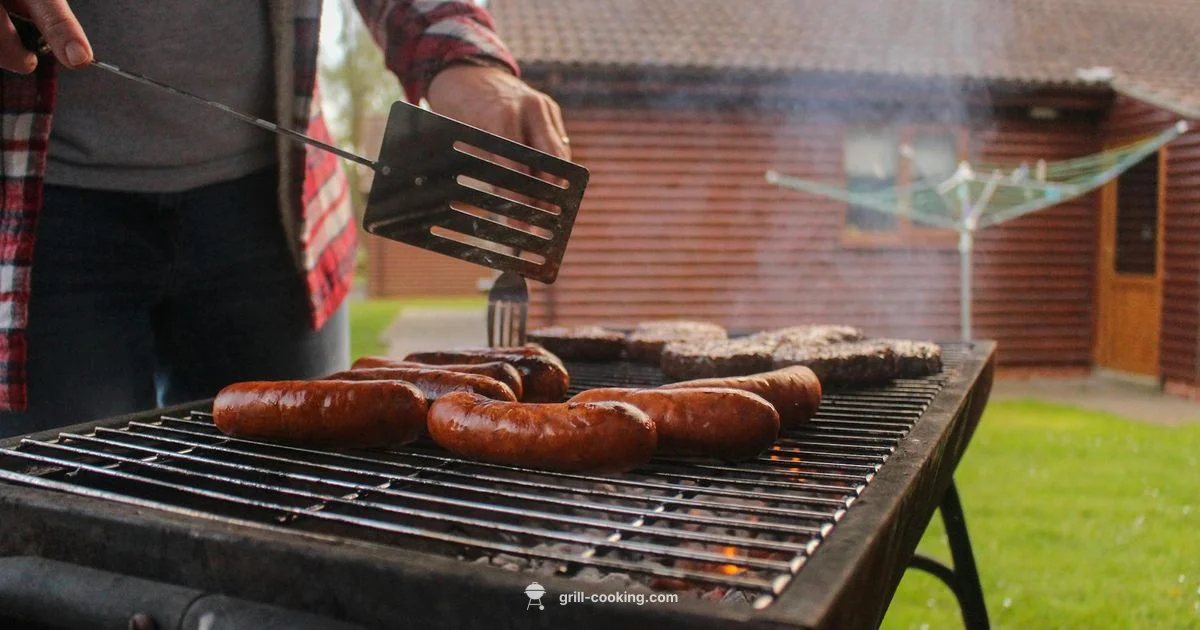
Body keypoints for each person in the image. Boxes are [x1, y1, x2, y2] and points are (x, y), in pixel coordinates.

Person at [0, 1, 570, 438]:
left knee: (298, 494)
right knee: (64, 505)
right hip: (36, 218)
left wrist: (462, 57)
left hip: (278, 205)